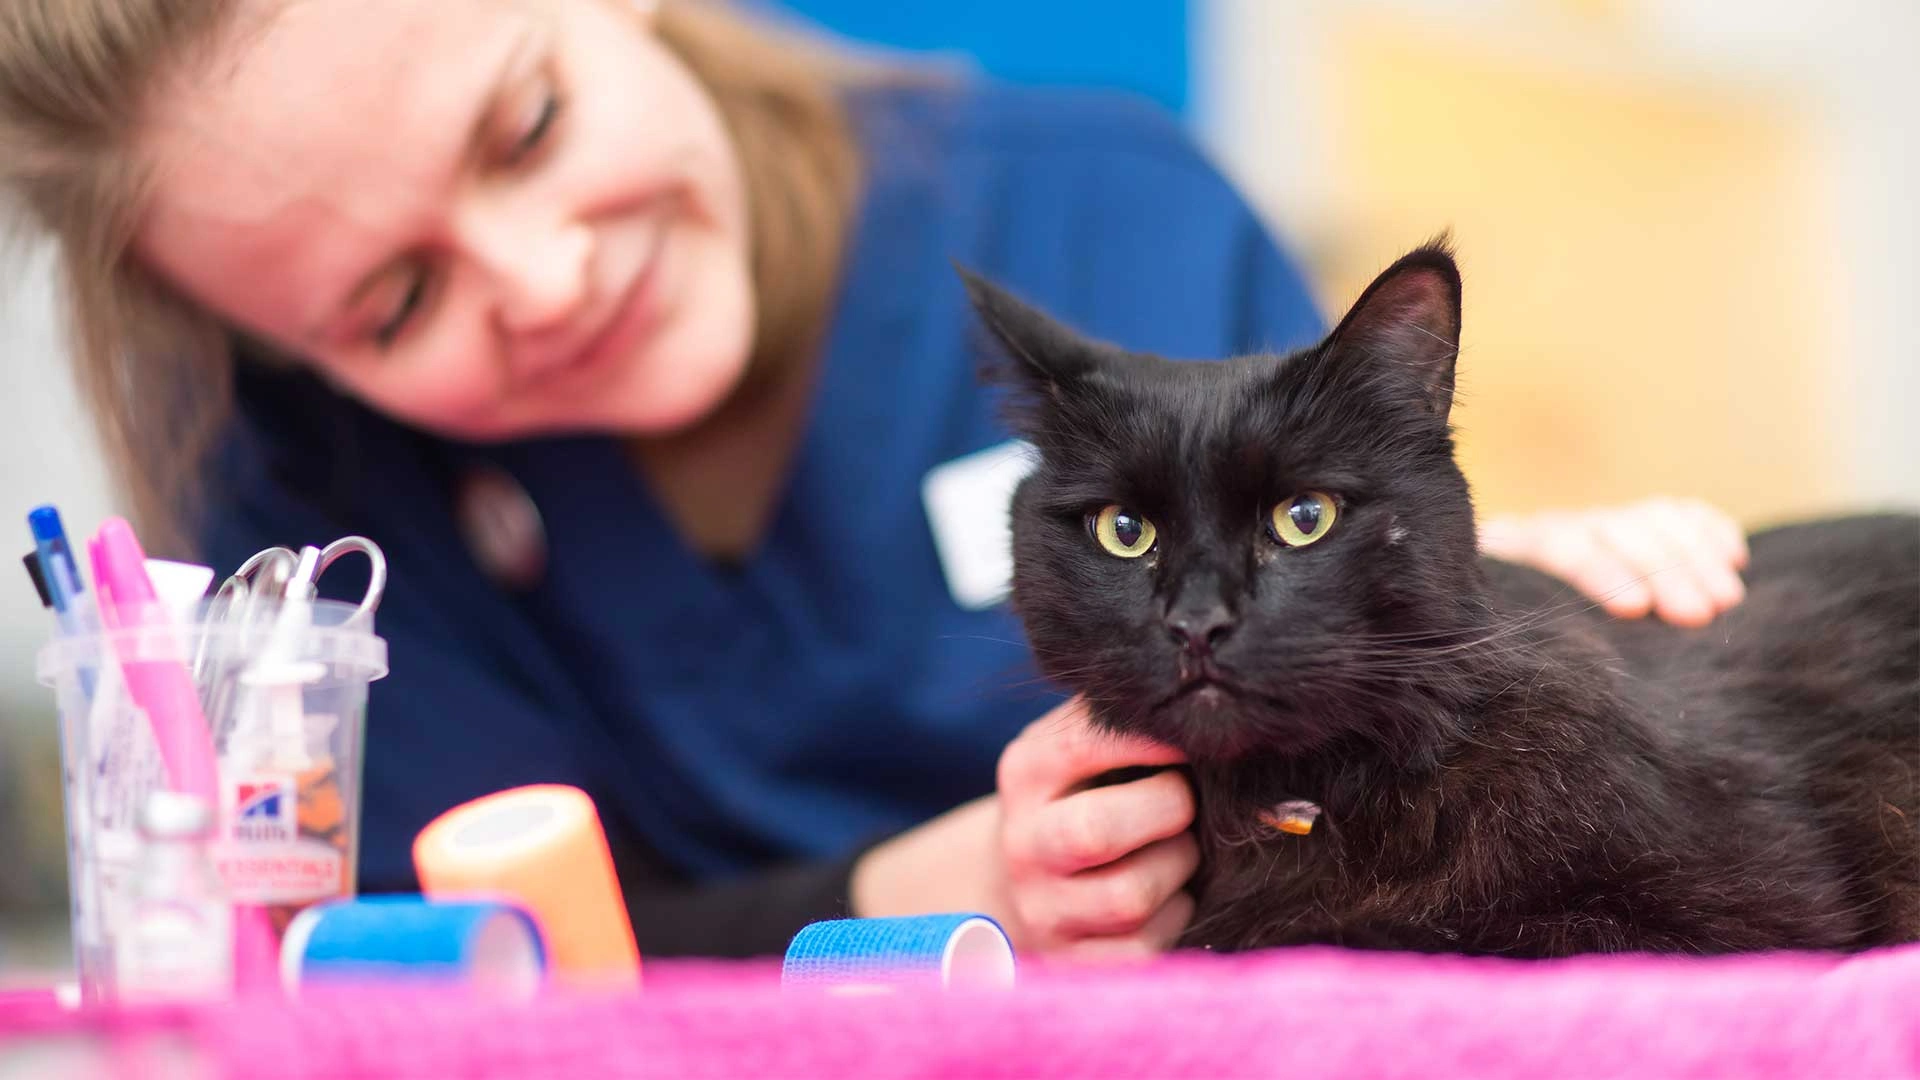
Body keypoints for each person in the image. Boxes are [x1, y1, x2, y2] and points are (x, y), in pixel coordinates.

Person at [0, 0, 1751, 960]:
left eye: (525, 126)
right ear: (284, 346)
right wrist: (940, 883)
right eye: (393, 302)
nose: (540, 282)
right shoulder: (305, 501)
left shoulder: (1097, 212)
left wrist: (1522, 624)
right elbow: (429, 955)